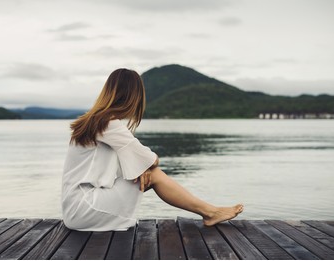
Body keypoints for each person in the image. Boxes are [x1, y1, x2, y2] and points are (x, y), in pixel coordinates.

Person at [61, 68, 243, 231]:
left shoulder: (95, 121)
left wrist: (142, 167)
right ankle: (210, 212)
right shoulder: (107, 123)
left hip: (76, 206)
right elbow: (152, 159)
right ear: (133, 97)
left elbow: (131, 163)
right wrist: (147, 166)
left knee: (148, 171)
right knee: (154, 174)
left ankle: (210, 212)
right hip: (84, 208)